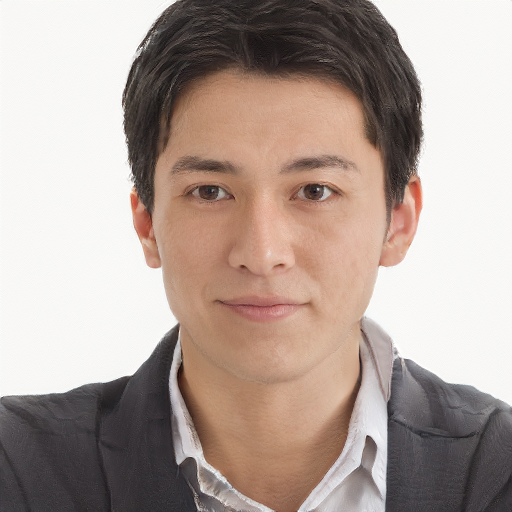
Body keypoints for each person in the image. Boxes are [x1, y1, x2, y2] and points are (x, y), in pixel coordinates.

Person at [1, 0, 511, 511]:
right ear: (147, 223)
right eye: (210, 192)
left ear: (398, 220)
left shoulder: (496, 472)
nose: (262, 254)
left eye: (315, 191)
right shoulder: (18, 470)